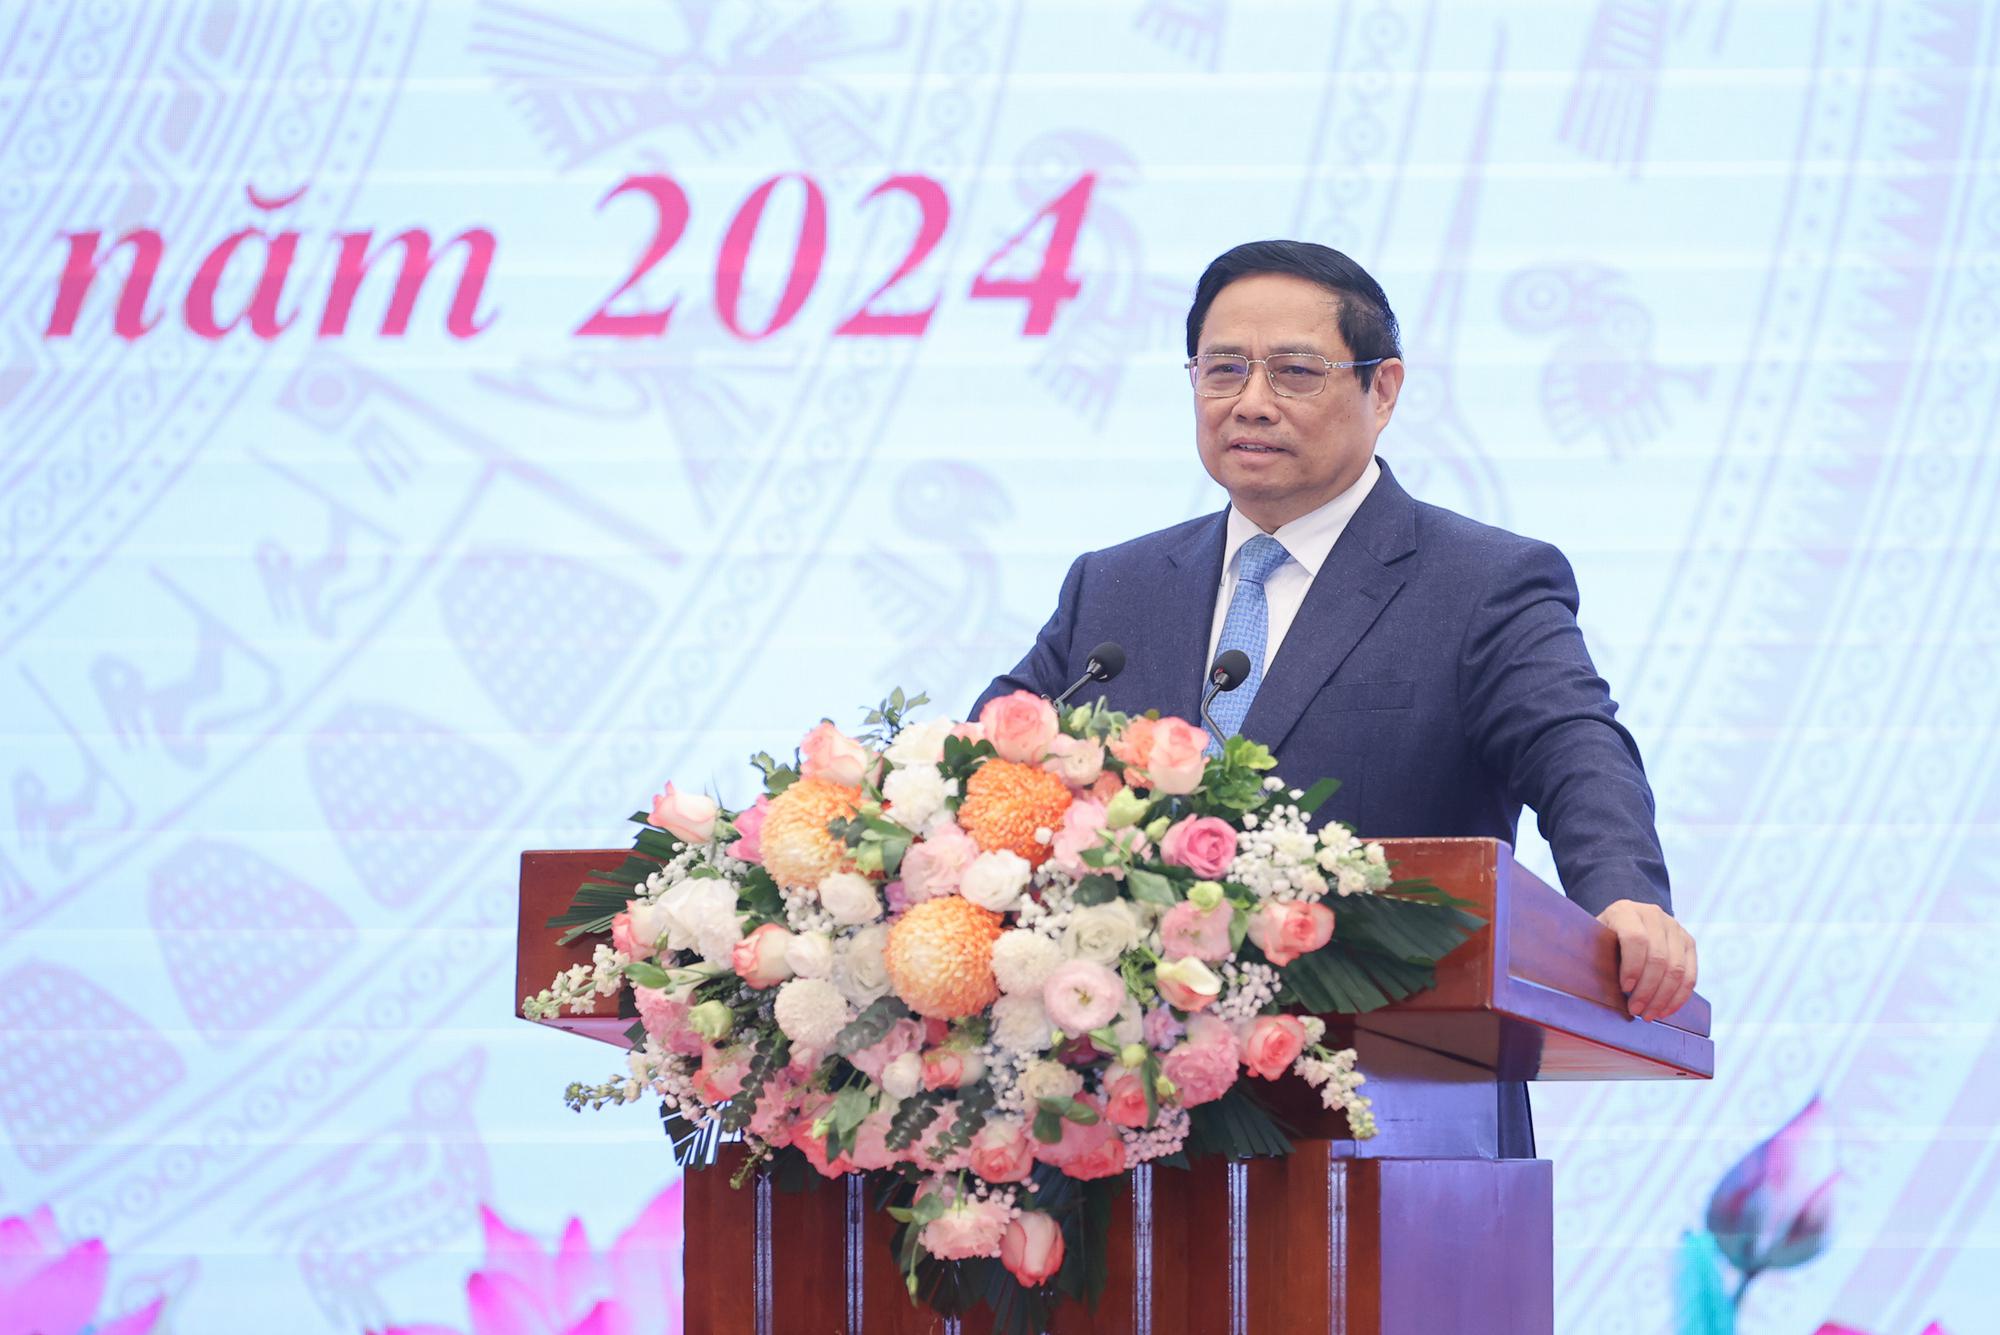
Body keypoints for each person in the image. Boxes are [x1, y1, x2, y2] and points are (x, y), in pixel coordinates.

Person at [974, 239, 1697, 1155]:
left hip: (1393, 1124)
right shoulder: (1116, 588)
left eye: (1295, 371)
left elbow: (1575, 745)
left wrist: (1623, 895)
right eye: (1223, 369)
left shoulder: (1480, 582)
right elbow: (990, 761)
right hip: (1122, 1126)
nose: (1251, 401)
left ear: (1382, 390)